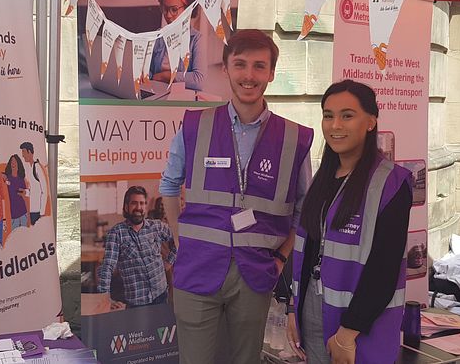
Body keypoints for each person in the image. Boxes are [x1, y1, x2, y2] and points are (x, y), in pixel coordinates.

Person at [160, 29, 313, 364]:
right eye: (240, 64)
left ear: (272, 73)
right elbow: (169, 186)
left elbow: (304, 210)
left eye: (259, 66)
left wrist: (282, 258)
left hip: (255, 275)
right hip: (196, 268)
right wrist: (180, 241)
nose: (249, 75)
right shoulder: (195, 126)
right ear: (226, 69)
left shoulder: (294, 138)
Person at [287, 80, 413, 364]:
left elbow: (384, 268)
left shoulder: (391, 183)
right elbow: (307, 252)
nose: (335, 125)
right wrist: (293, 309)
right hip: (312, 309)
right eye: (328, 115)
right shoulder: (323, 178)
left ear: (370, 121)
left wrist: (347, 333)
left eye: (347, 115)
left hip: (358, 324)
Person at [97, 186, 176, 309]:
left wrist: (169, 262)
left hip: (161, 296)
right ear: (126, 206)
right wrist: (105, 297)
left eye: (142, 203)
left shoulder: (157, 227)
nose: (138, 208)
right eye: (134, 203)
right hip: (136, 304)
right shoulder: (116, 233)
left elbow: (177, 240)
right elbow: (107, 267)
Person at [148, 0, 204, 90]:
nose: (168, 15)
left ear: (188, 9)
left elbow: (199, 80)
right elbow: (148, 73)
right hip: (157, 94)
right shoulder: (158, 36)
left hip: (183, 100)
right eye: (165, 8)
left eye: (174, 9)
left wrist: (166, 76)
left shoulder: (197, 39)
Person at [20, 142, 48, 225]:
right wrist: (26, 192)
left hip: (37, 212)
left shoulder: (37, 167)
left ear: (29, 152)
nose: (23, 155)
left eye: (24, 152)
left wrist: (42, 213)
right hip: (32, 210)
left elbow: (44, 190)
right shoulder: (30, 168)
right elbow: (36, 190)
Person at [4, 154, 29, 230]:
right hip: (14, 215)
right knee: (15, 238)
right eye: (12, 162)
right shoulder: (7, 178)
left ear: (18, 164)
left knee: (24, 237)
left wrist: (25, 192)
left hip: (23, 212)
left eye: (15, 162)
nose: (13, 164)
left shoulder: (21, 178)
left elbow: (25, 192)